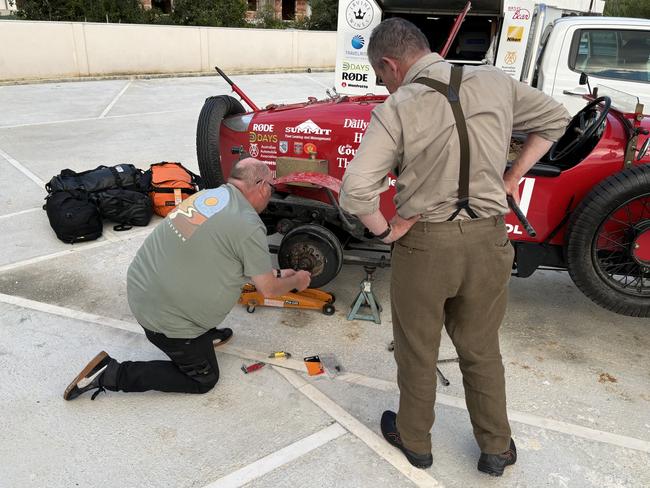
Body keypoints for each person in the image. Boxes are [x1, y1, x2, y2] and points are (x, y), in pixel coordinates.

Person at [339, 18, 570, 475]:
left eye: (382, 77)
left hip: (425, 244)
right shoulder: (495, 82)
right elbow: (556, 119)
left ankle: (416, 440)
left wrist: (387, 231)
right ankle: (496, 448)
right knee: (482, 347)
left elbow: (354, 192)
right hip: (488, 239)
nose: (385, 86)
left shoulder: (399, 106)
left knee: (417, 350)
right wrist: (511, 178)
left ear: (389, 63)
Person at [64, 158, 311, 401]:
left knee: (208, 274)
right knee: (204, 380)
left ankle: (201, 335)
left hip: (143, 292)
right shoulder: (248, 224)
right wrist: (297, 280)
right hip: (165, 322)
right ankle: (112, 374)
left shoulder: (209, 197)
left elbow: (223, 254)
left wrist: (275, 273)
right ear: (260, 185)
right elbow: (267, 289)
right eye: (272, 187)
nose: (271, 193)